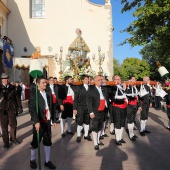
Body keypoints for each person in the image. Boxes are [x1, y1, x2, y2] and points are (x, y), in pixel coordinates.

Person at [29, 77, 56, 169]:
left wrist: (53, 120)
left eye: (46, 82)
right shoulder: (34, 94)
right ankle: (32, 159)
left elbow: (51, 106)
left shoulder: (48, 93)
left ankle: (47, 161)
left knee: (48, 141)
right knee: (36, 142)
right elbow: (32, 109)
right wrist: (36, 121)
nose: (45, 84)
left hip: (47, 121)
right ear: (38, 84)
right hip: (39, 122)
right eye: (43, 83)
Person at [0, 73, 22, 149]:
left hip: (12, 109)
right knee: (4, 127)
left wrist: (20, 107)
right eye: (4, 79)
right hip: (2, 110)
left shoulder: (13, 87)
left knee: (13, 125)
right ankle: (6, 142)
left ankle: (13, 138)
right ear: (1, 80)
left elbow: (17, 98)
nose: (5, 80)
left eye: (6, 78)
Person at [87, 75, 108, 150]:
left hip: (102, 110)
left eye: (101, 80)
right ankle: (95, 143)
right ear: (95, 81)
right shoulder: (91, 90)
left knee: (100, 126)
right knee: (95, 127)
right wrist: (91, 112)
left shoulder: (103, 89)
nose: (101, 81)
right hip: (95, 111)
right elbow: (88, 102)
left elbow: (105, 98)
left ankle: (98, 140)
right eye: (99, 80)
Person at [73, 74, 92, 143]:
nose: (88, 81)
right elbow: (76, 99)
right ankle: (78, 136)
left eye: (89, 79)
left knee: (87, 121)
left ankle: (86, 135)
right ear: (83, 80)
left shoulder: (91, 88)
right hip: (80, 106)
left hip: (88, 107)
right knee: (80, 121)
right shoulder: (79, 88)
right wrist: (75, 108)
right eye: (86, 79)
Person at [111, 75, 127, 146]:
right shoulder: (113, 88)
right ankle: (117, 139)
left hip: (124, 107)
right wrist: (124, 89)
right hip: (117, 107)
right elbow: (118, 99)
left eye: (120, 79)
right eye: (117, 79)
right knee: (118, 122)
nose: (119, 80)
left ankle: (120, 137)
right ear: (114, 80)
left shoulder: (121, 87)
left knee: (122, 122)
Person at [126, 75, 142, 141]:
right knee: (130, 120)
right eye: (132, 79)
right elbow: (129, 96)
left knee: (132, 120)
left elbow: (139, 98)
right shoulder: (128, 88)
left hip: (135, 105)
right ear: (129, 80)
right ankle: (130, 135)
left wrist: (139, 106)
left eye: (135, 79)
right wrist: (129, 85)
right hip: (129, 106)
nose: (134, 80)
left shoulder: (136, 88)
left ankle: (132, 133)